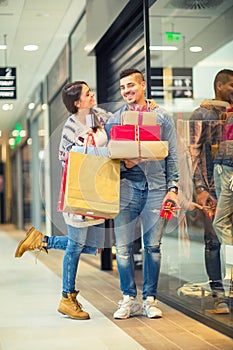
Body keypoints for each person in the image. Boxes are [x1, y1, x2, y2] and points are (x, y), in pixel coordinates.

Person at [14, 81, 111, 320]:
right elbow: (64, 160)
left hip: (99, 193)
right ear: (77, 102)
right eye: (88, 94)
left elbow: (122, 119)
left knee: (96, 246)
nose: (93, 95)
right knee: (77, 247)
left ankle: (42, 240)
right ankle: (67, 298)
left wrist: (144, 108)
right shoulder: (70, 127)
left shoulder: (99, 116)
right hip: (79, 193)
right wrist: (87, 151)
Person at [105, 68, 179, 319]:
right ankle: (128, 298)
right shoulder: (114, 120)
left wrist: (174, 188)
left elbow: (173, 156)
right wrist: (125, 162)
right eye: (123, 87)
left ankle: (150, 299)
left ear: (143, 85)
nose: (127, 91)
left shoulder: (162, 117)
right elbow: (109, 158)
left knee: (153, 247)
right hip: (126, 189)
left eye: (131, 85)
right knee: (123, 247)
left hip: (156, 189)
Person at [189, 69, 233, 314]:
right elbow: (193, 154)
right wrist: (200, 189)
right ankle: (218, 295)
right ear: (219, 86)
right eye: (232, 86)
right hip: (212, 188)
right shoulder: (202, 114)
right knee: (214, 241)